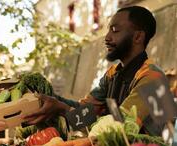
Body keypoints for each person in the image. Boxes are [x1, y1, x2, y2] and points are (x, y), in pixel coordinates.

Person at [24, 6, 170, 136]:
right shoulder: (113, 74)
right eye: (108, 30)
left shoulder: (154, 78)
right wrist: (51, 98)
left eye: (115, 30)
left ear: (138, 37)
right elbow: (85, 109)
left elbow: (120, 129)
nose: (107, 37)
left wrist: (62, 109)